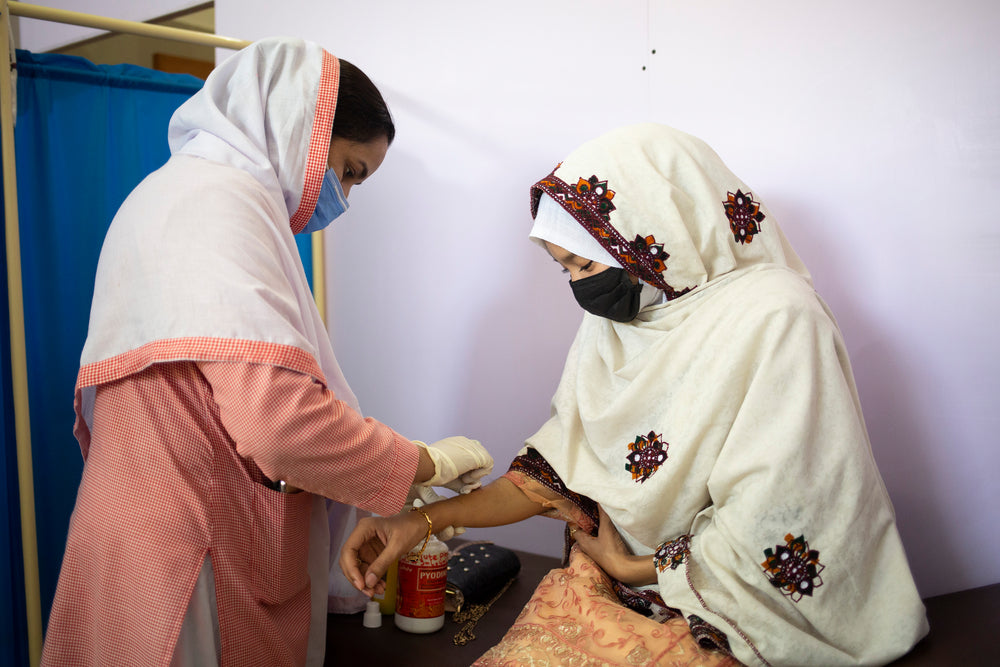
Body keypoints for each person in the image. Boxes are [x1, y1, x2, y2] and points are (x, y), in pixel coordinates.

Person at [341, 124, 929, 666]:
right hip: (605, 581)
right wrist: (419, 522)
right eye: (563, 268)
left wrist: (634, 565)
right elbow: (554, 480)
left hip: (726, 605)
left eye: (583, 263)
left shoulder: (777, 318)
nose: (578, 286)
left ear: (652, 232)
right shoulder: (619, 322)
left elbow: (787, 518)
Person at [40, 37, 492, 667]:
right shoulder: (220, 208)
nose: (345, 198)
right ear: (302, 129)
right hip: (188, 554)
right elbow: (278, 425)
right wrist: (421, 462)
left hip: (131, 533)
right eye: (349, 172)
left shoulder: (163, 196)